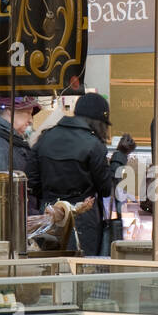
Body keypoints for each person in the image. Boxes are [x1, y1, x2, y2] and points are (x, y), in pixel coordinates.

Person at [28, 93, 134, 256]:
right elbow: (106, 188)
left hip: (49, 215)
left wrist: (53, 201)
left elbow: (32, 182)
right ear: (99, 122)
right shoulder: (94, 145)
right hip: (83, 220)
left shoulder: (45, 138)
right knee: (80, 271)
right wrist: (120, 155)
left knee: (50, 268)